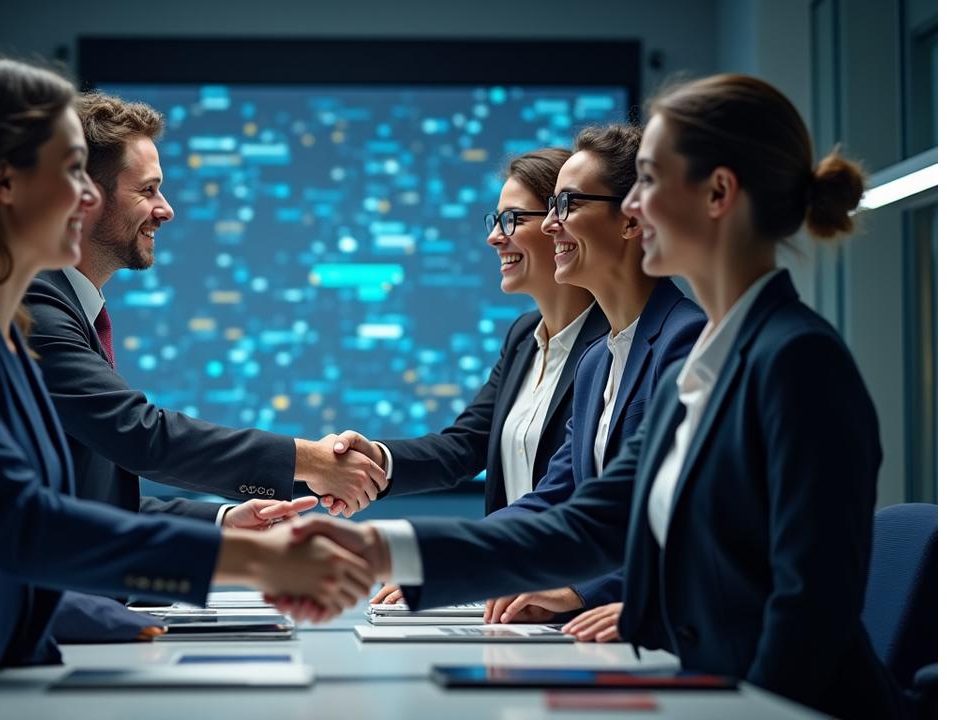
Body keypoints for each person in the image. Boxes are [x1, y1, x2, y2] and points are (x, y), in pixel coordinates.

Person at [0, 59, 373, 719]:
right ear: (3, 182)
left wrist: (245, 547)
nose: (87, 198)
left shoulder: (4, 329)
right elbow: (18, 521)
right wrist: (253, 564)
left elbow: (47, 510)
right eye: (73, 170)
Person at [280, 74, 909, 719]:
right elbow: (589, 522)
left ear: (719, 193)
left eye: (650, 183)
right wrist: (383, 551)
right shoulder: (701, 366)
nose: (633, 209)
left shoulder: (797, 360)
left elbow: (810, 609)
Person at [26, 92, 387, 526]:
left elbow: (89, 503)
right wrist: (310, 461)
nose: (166, 210)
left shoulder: (62, 304)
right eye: (148, 190)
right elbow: (141, 436)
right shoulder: (32, 307)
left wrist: (223, 522)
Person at [327, 149, 606, 604]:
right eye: (495, 220)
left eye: (513, 218)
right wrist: (375, 458)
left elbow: (592, 503)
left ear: (560, 224)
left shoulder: (613, 344)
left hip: (568, 600)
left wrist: (451, 562)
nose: (496, 237)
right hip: (516, 598)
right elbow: (464, 446)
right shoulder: (523, 337)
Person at [480, 125, 705, 635]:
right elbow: (558, 499)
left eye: (567, 205)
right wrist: (450, 565)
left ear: (631, 221)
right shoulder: (595, 363)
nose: (551, 225)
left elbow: (689, 525)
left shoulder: (686, 345)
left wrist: (584, 591)